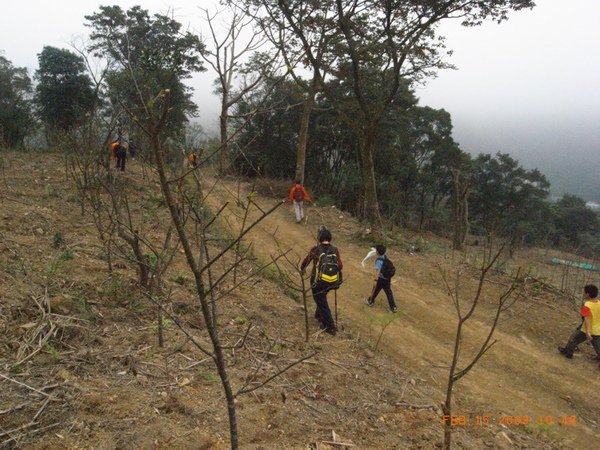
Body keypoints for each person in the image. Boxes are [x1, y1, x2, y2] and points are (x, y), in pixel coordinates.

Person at [300, 229, 342, 335]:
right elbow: (340, 266)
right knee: (322, 297)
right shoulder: (334, 249)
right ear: (330, 238)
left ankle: (330, 327)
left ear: (319, 238)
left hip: (317, 281)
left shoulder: (316, 249)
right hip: (332, 281)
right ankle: (318, 315)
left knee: (321, 301)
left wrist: (302, 269)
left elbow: (306, 261)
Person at [558, 284, 600, 360]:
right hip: (598, 329)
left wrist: (587, 331)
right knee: (597, 346)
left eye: (585, 293)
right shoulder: (599, 303)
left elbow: (586, 319)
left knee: (574, 339)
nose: (583, 294)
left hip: (587, 328)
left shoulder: (587, 305)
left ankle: (568, 352)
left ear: (587, 294)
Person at [364, 244, 398, 313]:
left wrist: (375, 280)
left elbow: (378, 271)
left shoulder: (379, 260)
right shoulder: (385, 257)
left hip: (381, 278)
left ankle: (370, 301)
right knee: (388, 291)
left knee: (376, 289)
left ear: (377, 252)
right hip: (387, 278)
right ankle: (393, 307)